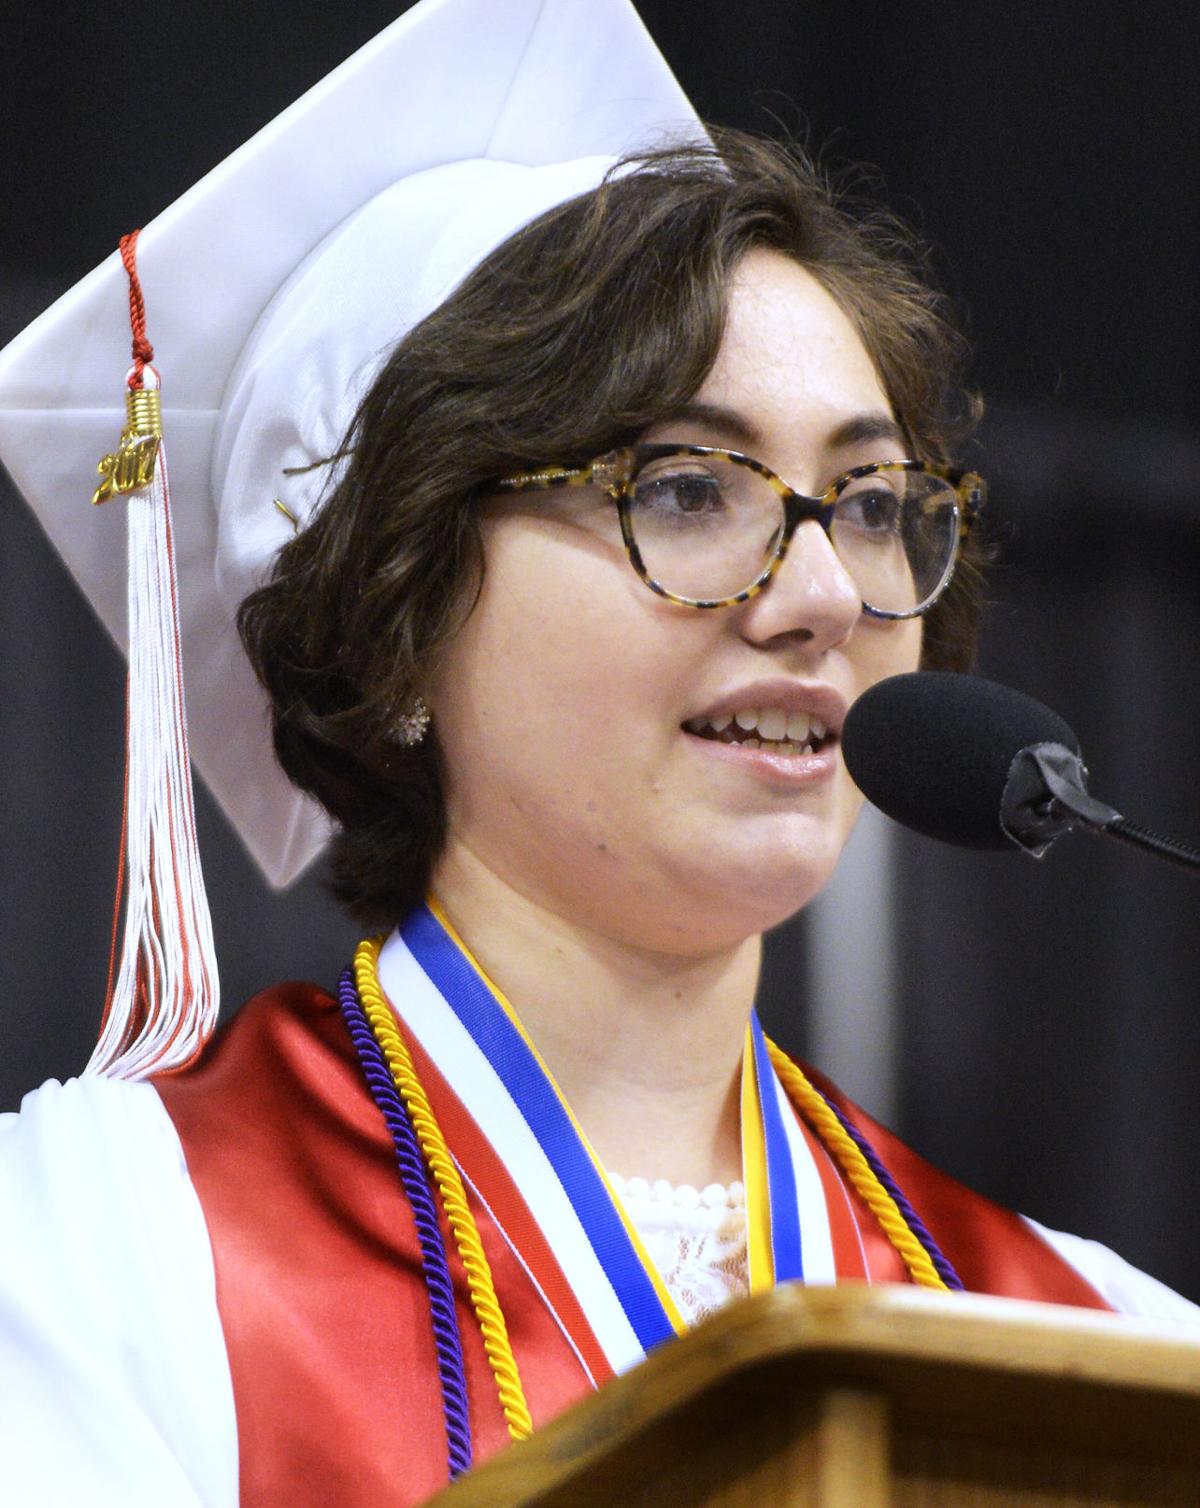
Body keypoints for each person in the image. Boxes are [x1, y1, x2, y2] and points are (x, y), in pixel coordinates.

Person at [1, 3, 1196, 1504]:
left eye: (875, 500)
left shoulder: (1096, 1344)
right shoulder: (109, 1261)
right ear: (400, 611)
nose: (826, 594)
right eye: (692, 490)